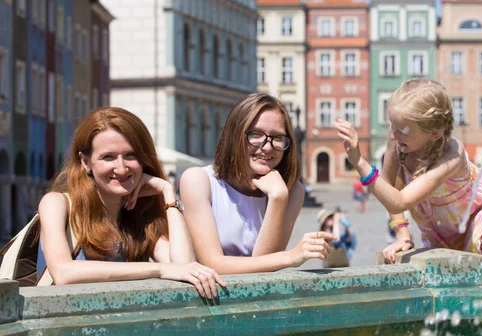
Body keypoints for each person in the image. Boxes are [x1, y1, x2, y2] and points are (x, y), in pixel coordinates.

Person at [37, 107, 225, 298]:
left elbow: (184, 266)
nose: (121, 168)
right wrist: (158, 270)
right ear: (85, 162)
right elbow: (63, 272)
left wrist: (168, 193)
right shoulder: (57, 204)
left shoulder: (141, 217)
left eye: (130, 155)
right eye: (108, 157)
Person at [336, 78, 482, 262]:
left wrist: (360, 162)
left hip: (478, 214)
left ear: (434, 133)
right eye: (392, 125)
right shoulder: (398, 136)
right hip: (440, 229)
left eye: (402, 129)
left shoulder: (452, 156)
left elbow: (399, 201)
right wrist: (402, 235)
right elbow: (388, 186)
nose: (393, 134)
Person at [180, 93, 334, 274]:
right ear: (234, 135)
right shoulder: (199, 181)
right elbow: (213, 264)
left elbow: (263, 273)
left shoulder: (291, 192)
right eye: (256, 134)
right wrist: (290, 257)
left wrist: (278, 197)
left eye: (277, 137)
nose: (267, 147)